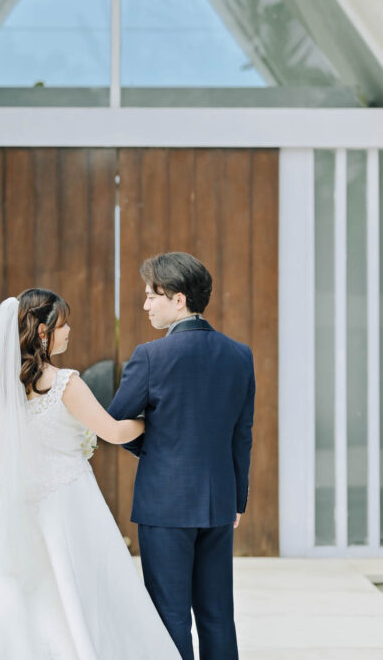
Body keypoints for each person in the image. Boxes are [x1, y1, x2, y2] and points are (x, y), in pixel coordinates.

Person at [0, 288, 180, 660]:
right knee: (83, 587)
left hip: (21, 502)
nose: (69, 331)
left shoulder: (5, 388)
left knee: (14, 591)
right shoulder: (65, 382)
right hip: (71, 501)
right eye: (63, 324)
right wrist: (154, 420)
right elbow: (115, 432)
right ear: (42, 332)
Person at [108, 252, 255, 660]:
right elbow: (242, 435)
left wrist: (153, 448)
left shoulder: (150, 357)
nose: (145, 305)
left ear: (178, 299)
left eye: (151, 295)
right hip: (219, 503)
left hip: (164, 504)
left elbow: (113, 422)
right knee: (218, 615)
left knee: (169, 615)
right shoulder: (240, 355)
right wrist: (237, 499)